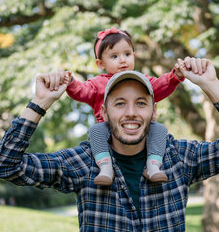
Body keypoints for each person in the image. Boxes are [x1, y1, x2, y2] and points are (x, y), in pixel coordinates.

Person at [0, 57, 219, 232]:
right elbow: (3, 165)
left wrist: (211, 85)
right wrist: (40, 104)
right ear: (104, 113)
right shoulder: (83, 163)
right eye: (120, 103)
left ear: (153, 113)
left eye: (141, 103)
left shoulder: (179, 158)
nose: (131, 113)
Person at [65, 27, 185, 185]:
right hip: (108, 129)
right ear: (100, 63)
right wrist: (70, 82)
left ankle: (153, 166)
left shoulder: (142, 80)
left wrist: (174, 77)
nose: (122, 60)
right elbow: (81, 91)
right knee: (95, 131)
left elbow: (160, 85)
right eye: (114, 56)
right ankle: (106, 168)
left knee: (159, 129)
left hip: (139, 130)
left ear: (134, 56)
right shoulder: (97, 83)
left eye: (127, 54)